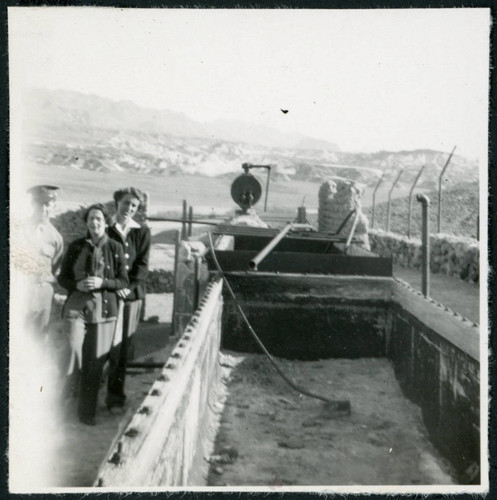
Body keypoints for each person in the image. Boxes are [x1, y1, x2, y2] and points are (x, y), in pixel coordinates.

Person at [58, 204, 129, 425]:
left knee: (94, 363)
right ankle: (62, 404)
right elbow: (63, 278)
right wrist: (76, 284)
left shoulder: (115, 248)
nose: (94, 222)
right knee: (72, 351)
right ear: (86, 222)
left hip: (104, 309)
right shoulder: (76, 246)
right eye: (91, 219)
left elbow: (124, 281)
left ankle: (85, 413)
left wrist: (103, 282)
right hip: (77, 306)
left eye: (98, 218)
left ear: (106, 222)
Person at [106, 187, 151, 411]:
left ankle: (115, 397)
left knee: (122, 347)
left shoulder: (141, 232)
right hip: (107, 296)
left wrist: (127, 287)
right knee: (100, 344)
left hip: (131, 297)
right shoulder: (105, 230)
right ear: (117, 203)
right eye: (126, 203)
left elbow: (142, 266)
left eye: (134, 206)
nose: (129, 209)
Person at [22, 185, 64, 340]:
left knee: (38, 338)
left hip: (42, 292)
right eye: (40, 203)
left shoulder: (56, 237)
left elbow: (56, 266)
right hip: (20, 290)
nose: (43, 208)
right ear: (33, 204)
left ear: (53, 206)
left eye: (47, 204)